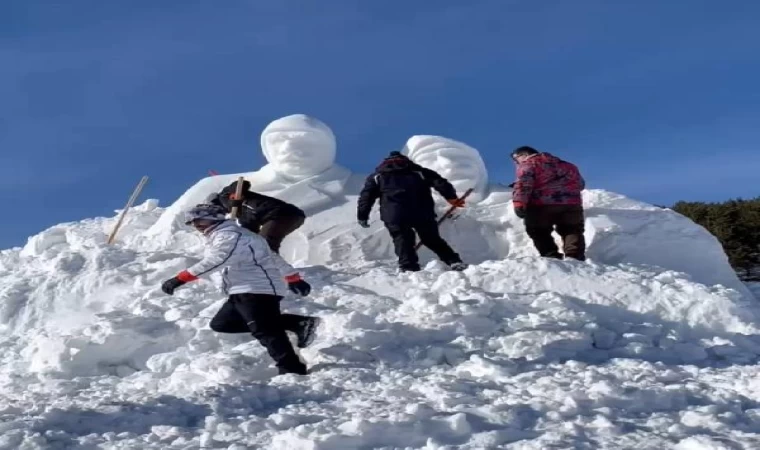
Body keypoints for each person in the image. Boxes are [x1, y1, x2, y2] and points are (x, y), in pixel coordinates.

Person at [160, 204, 320, 375]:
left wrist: (180, 279)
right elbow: (271, 257)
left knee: (266, 330)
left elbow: (217, 260)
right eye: (192, 222)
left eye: (200, 219)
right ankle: (295, 323)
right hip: (240, 290)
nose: (196, 224)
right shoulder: (230, 235)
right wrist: (292, 277)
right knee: (223, 324)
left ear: (215, 218)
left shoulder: (230, 236)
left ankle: (291, 368)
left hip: (256, 288)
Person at [357, 151, 468, 272]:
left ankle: (408, 266)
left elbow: (366, 197)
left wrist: (362, 215)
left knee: (402, 239)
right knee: (431, 238)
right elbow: (440, 182)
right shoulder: (419, 172)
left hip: (394, 214)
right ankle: (454, 261)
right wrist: (451, 197)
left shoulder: (377, 177)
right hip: (422, 211)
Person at [511, 146, 586, 261]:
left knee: (538, 230)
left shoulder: (528, 165)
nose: (516, 163)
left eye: (516, 159)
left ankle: (551, 257)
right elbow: (580, 184)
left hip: (541, 204)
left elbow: (523, 185)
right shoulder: (568, 166)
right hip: (571, 204)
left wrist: (519, 203)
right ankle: (575, 258)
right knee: (572, 229)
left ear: (524, 155)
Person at [208, 180, 306, 254]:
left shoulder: (224, 195)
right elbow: (250, 230)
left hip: (281, 213)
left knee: (265, 243)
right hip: (291, 217)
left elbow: (241, 183)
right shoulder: (241, 215)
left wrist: (234, 195)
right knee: (260, 245)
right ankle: (270, 269)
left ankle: (275, 269)